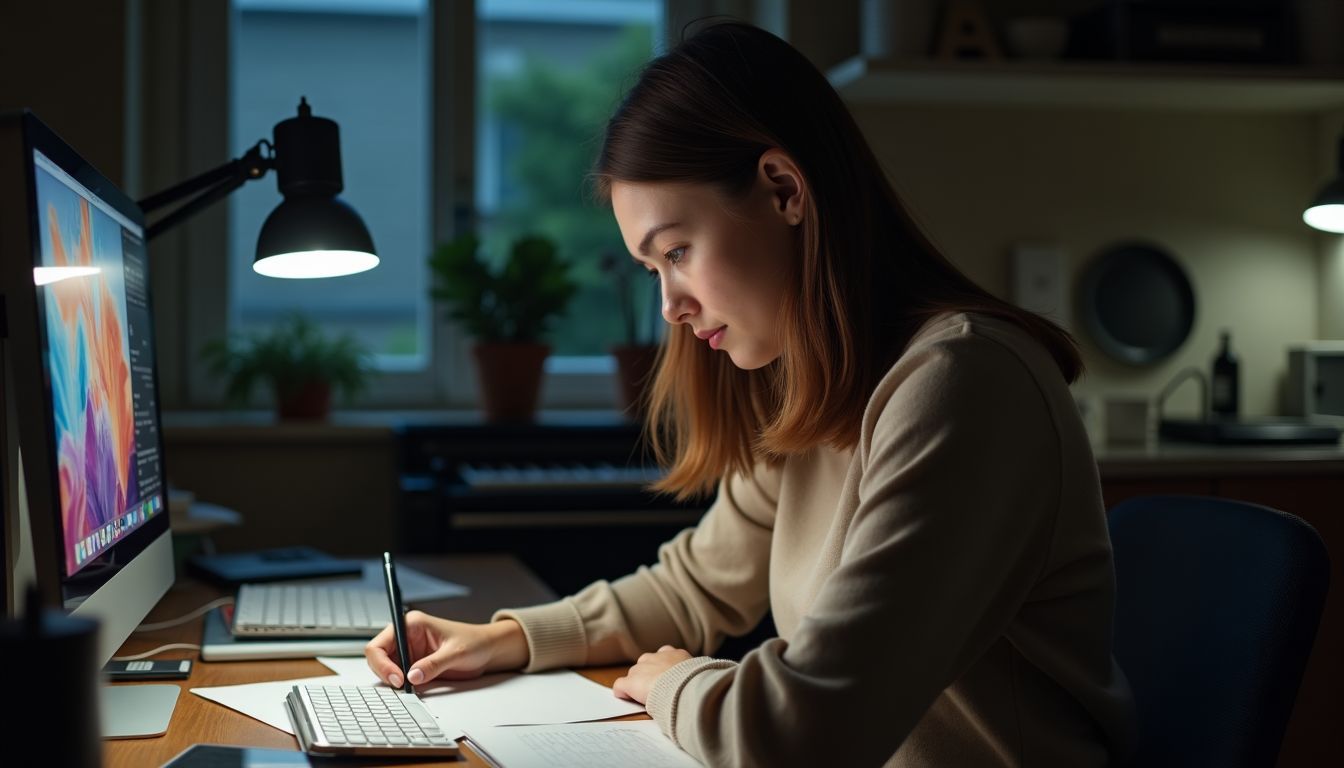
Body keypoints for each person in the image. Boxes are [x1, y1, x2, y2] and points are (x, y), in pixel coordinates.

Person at [367, 20, 1135, 766]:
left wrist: (679, 683)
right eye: (651, 268)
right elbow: (694, 587)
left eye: (677, 250)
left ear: (782, 189)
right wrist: (503, 639)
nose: (669, 305)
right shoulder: (821, 386)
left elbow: (801, 732)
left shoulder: (964, 385)